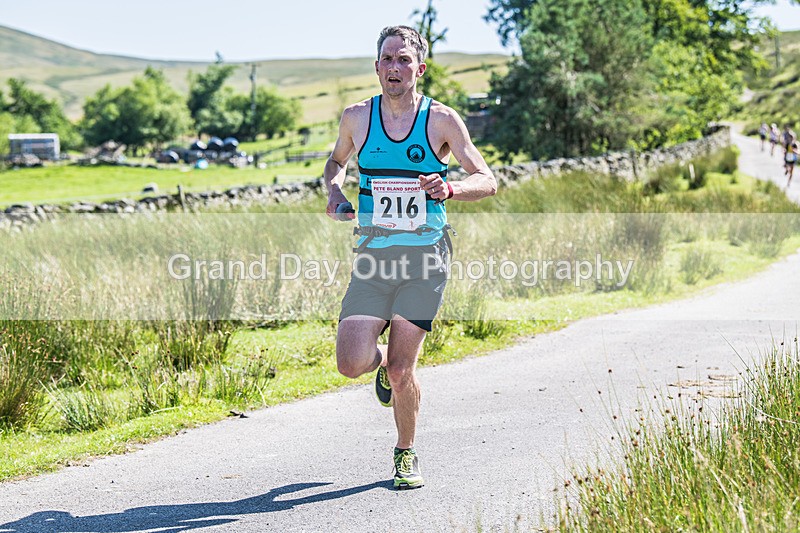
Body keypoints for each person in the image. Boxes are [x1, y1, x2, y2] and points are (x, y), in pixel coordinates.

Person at [323, 25, 497, 490]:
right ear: (377, 66)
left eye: (404, 60)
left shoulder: (441, 120)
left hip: (425, 258)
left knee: (404, 370)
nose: (394, 68)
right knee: (350, 362)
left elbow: (487, 178)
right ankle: (380, 365)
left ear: (419, 68)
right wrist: (335, 191)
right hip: (374, 256)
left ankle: (405, 453)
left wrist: (453, 187)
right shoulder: (357, 117)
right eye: (387, 59)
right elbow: (335, 162)